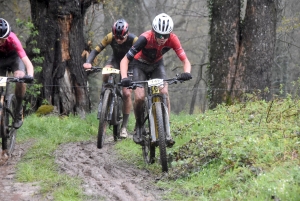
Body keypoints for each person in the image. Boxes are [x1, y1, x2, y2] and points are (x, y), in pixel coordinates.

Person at [120, 13, 192, 146]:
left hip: (157, 65)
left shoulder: (173, 39)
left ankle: (166, 129)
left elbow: (185, 61)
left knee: (164, 92)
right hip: (139, 64)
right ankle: (139, 126)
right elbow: (125, 60)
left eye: (165, 36)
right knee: (140, 97)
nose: (162, 39)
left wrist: (186, 72)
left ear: (170, 34)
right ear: (153, 31)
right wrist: (124, 77)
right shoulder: (145, 38)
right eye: (159, 35)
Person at [83, 19, 138, 138]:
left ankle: (124, 127)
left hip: (130, 64)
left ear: (127, 34)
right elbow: (96, 50)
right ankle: (106, 93)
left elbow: (143, 53)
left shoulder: (134, 40)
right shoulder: (109, 37)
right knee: (105, 71)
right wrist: (88, 62)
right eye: (116, 37)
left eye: (121, 38)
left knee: (126, 93)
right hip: (115, 60)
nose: (118, 40)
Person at [0, 18, 34, 129]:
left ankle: (18, 110)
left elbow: (28, 63)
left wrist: (29, 76)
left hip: (15, 58)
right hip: (1, 60)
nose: (0, 42)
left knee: (20, 77)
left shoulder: (13, 39)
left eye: (2, 39)